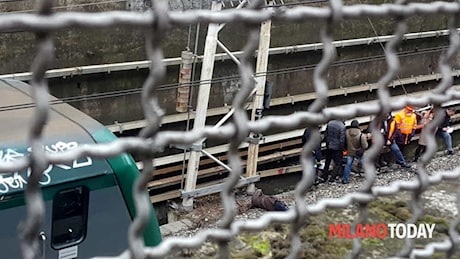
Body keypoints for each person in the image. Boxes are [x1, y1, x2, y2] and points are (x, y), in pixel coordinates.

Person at [342, 120, 368, 184]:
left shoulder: (347, 132)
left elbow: (344, 142)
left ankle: (345, 179)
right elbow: (365, 146)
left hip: (350, 152)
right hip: (358, 153)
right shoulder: (361, 135)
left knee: (348, 165)